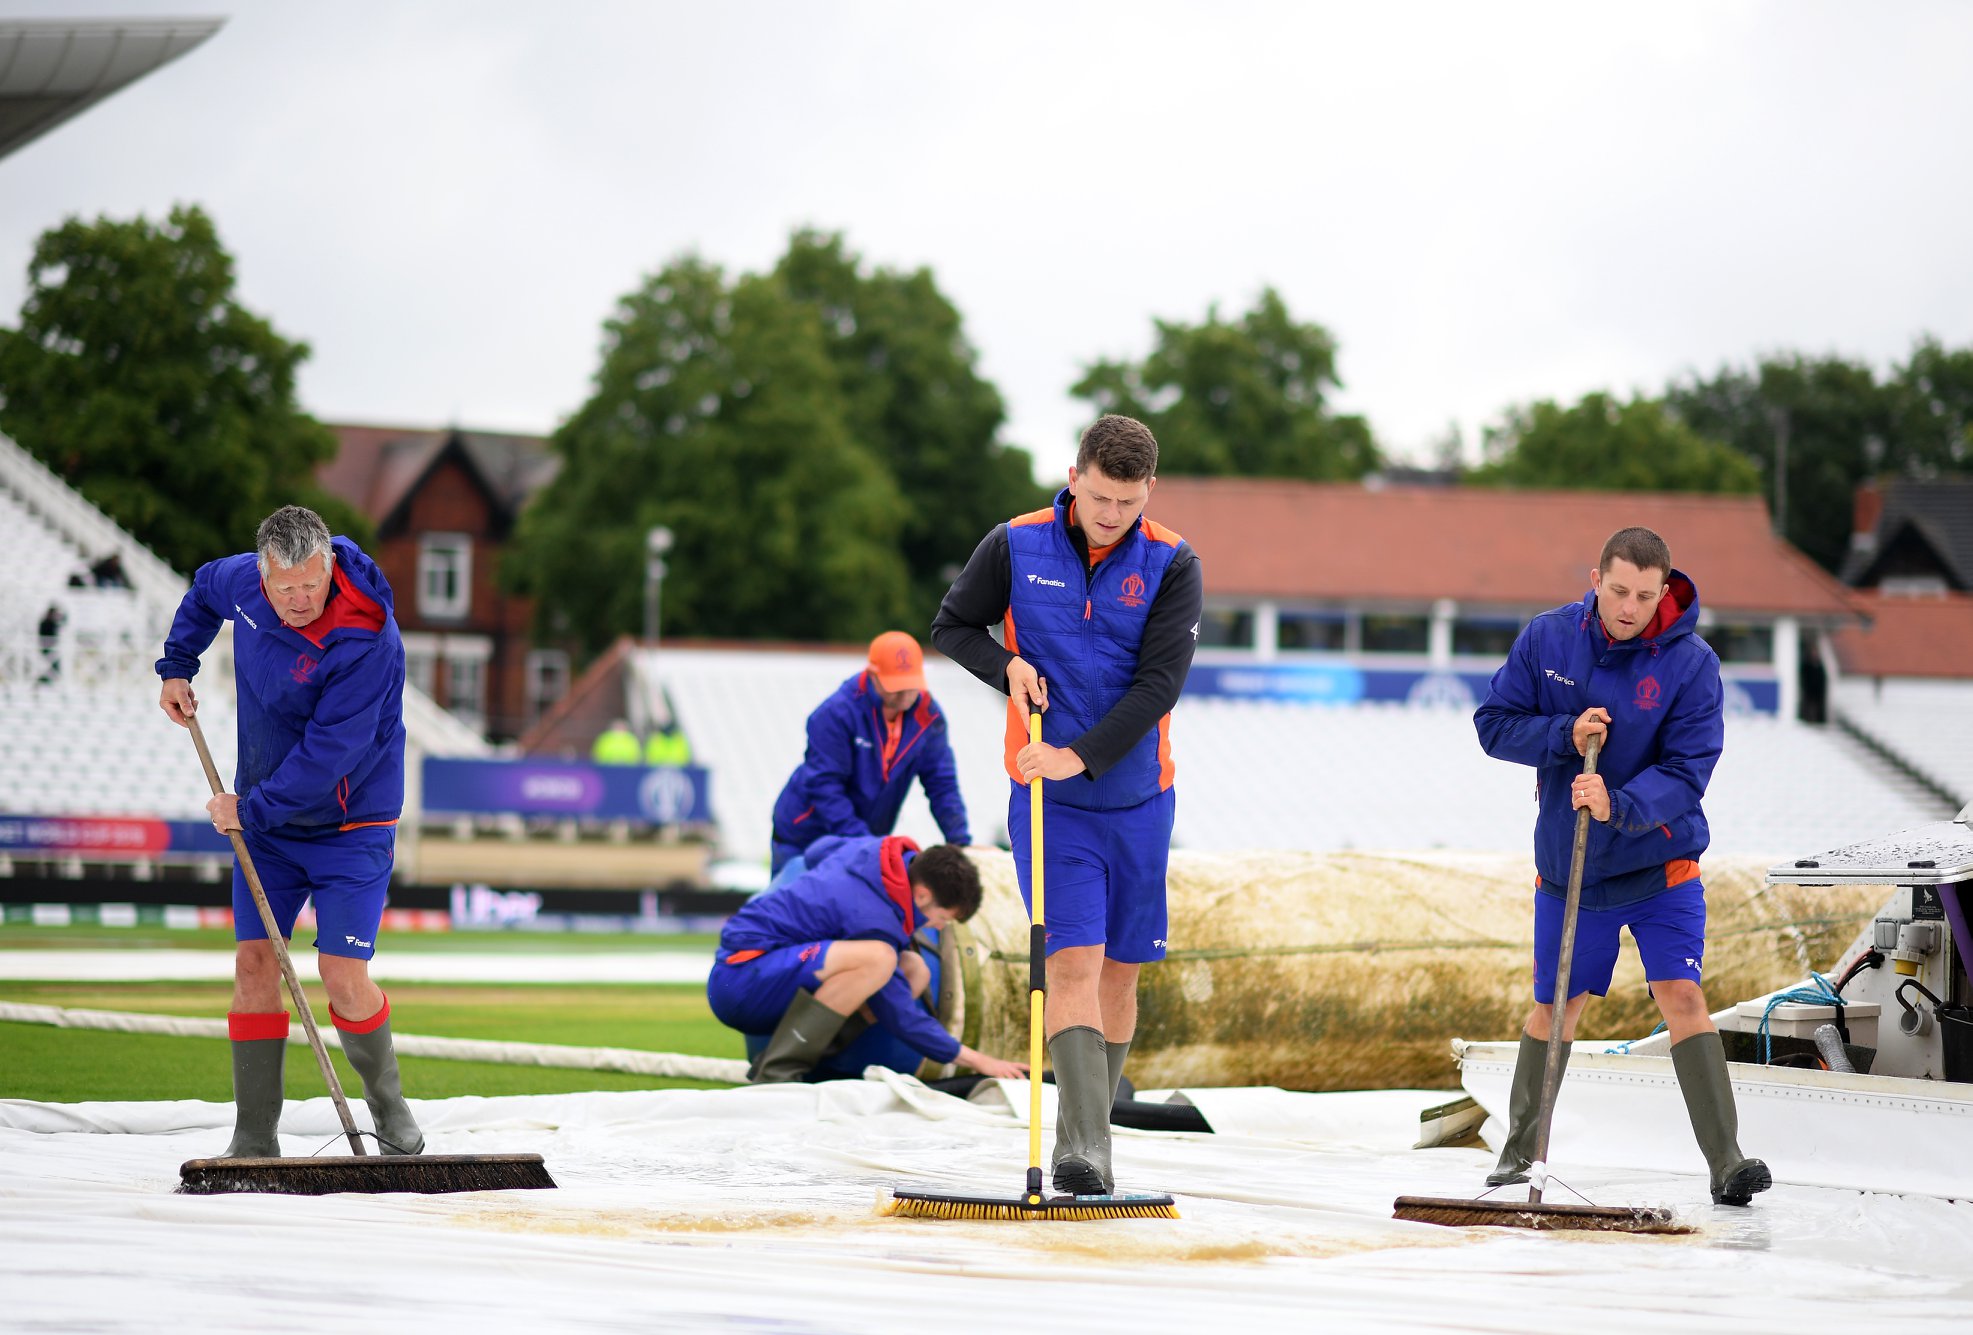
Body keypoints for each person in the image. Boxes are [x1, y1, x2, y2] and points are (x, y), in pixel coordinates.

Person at [930, 413, 1202, 1195]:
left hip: (1141, 797)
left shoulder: (1172, 561)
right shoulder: (1014, 543)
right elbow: (953, 625)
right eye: (1098, 498)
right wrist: (1006, 664)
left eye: (1126, 502)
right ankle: (1083, 1152)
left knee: (1121, 972)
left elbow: (1159, 686)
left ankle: (1094, 1129)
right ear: (1074, 476)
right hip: (1049, 800)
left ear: (1147, 491)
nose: (1110, 516)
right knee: (1071, 959)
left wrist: (1078, 753)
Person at [1473, 525, 1770, 1206]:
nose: (1628, 606)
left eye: (1643, 593)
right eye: (1616, 590)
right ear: (1594, 579)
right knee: (1556, 1005)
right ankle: (1519, 1152)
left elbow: (1689, 769)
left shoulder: (1692, 664)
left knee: (1683, 998)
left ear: (1662, 589)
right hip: (1569, 870)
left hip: (1660, 864)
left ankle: (1726, 1163)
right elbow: (1492, 723)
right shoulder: (1546, 638)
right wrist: (1563, 732)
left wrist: (1619, 802)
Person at [156, 505, 423, 1159]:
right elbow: (200, 590)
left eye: (312, 584)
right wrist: (176, 664)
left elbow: (330, 754)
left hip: (350, 823)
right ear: (264, 574)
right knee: (253, 964)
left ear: (329, 566)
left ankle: (389, 1112)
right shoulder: (241, 581)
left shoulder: (366, 638)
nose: (300, 600)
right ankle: (253, 1138)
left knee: (341, 972)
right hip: (270, 826)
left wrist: (249, 809)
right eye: (286, 589)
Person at [708, 834, 1026, 1082]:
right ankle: (777, 1071)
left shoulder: (876, 854)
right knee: (880, 958)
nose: (939, 928)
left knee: (914, 968)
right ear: (923, 895)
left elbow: (821, 848)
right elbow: (901, 1017)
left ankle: (817, 1055)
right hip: (740, 980)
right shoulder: (873, 920)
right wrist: (978, 1060)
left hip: (764, 966)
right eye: (942, 918)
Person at [767, 631, 970, 877]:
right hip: (807, 835)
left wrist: (960, 843)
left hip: (865, 840)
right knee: (792, 909)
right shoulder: (836, 714)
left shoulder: (927, 717)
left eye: (912, 684)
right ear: (873, 675)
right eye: (897, 686)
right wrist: (867, 846)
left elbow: (941, 782)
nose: (906, 694)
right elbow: (825, 786)